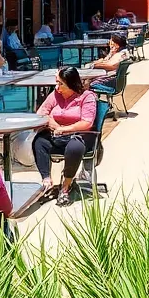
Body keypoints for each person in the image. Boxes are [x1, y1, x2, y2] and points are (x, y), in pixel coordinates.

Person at [33, 67, 97, 206]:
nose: (57, 87)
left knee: (74, 148)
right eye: (56, 82)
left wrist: (63, 129)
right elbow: (41, 112)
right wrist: (52, 122)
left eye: (60, 83)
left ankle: (66, 186)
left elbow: (87, 122)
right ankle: (47, 181)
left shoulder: (87, 97)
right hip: (56, 135)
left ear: (71, 84)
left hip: (79, 136)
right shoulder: (55, 94)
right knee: (39, 141)